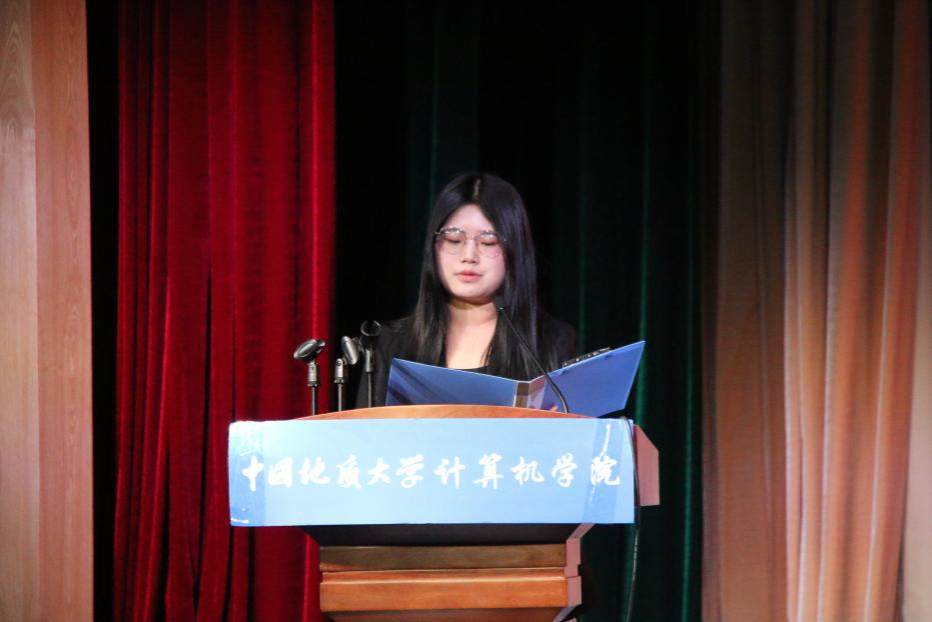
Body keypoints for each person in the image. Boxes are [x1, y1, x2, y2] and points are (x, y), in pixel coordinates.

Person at [357, 172, 577, 408]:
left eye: (488, 242)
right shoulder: (390, 345)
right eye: (454, 240)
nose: (469, 256)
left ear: (515, 250)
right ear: (433, 247)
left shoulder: (551, 342)